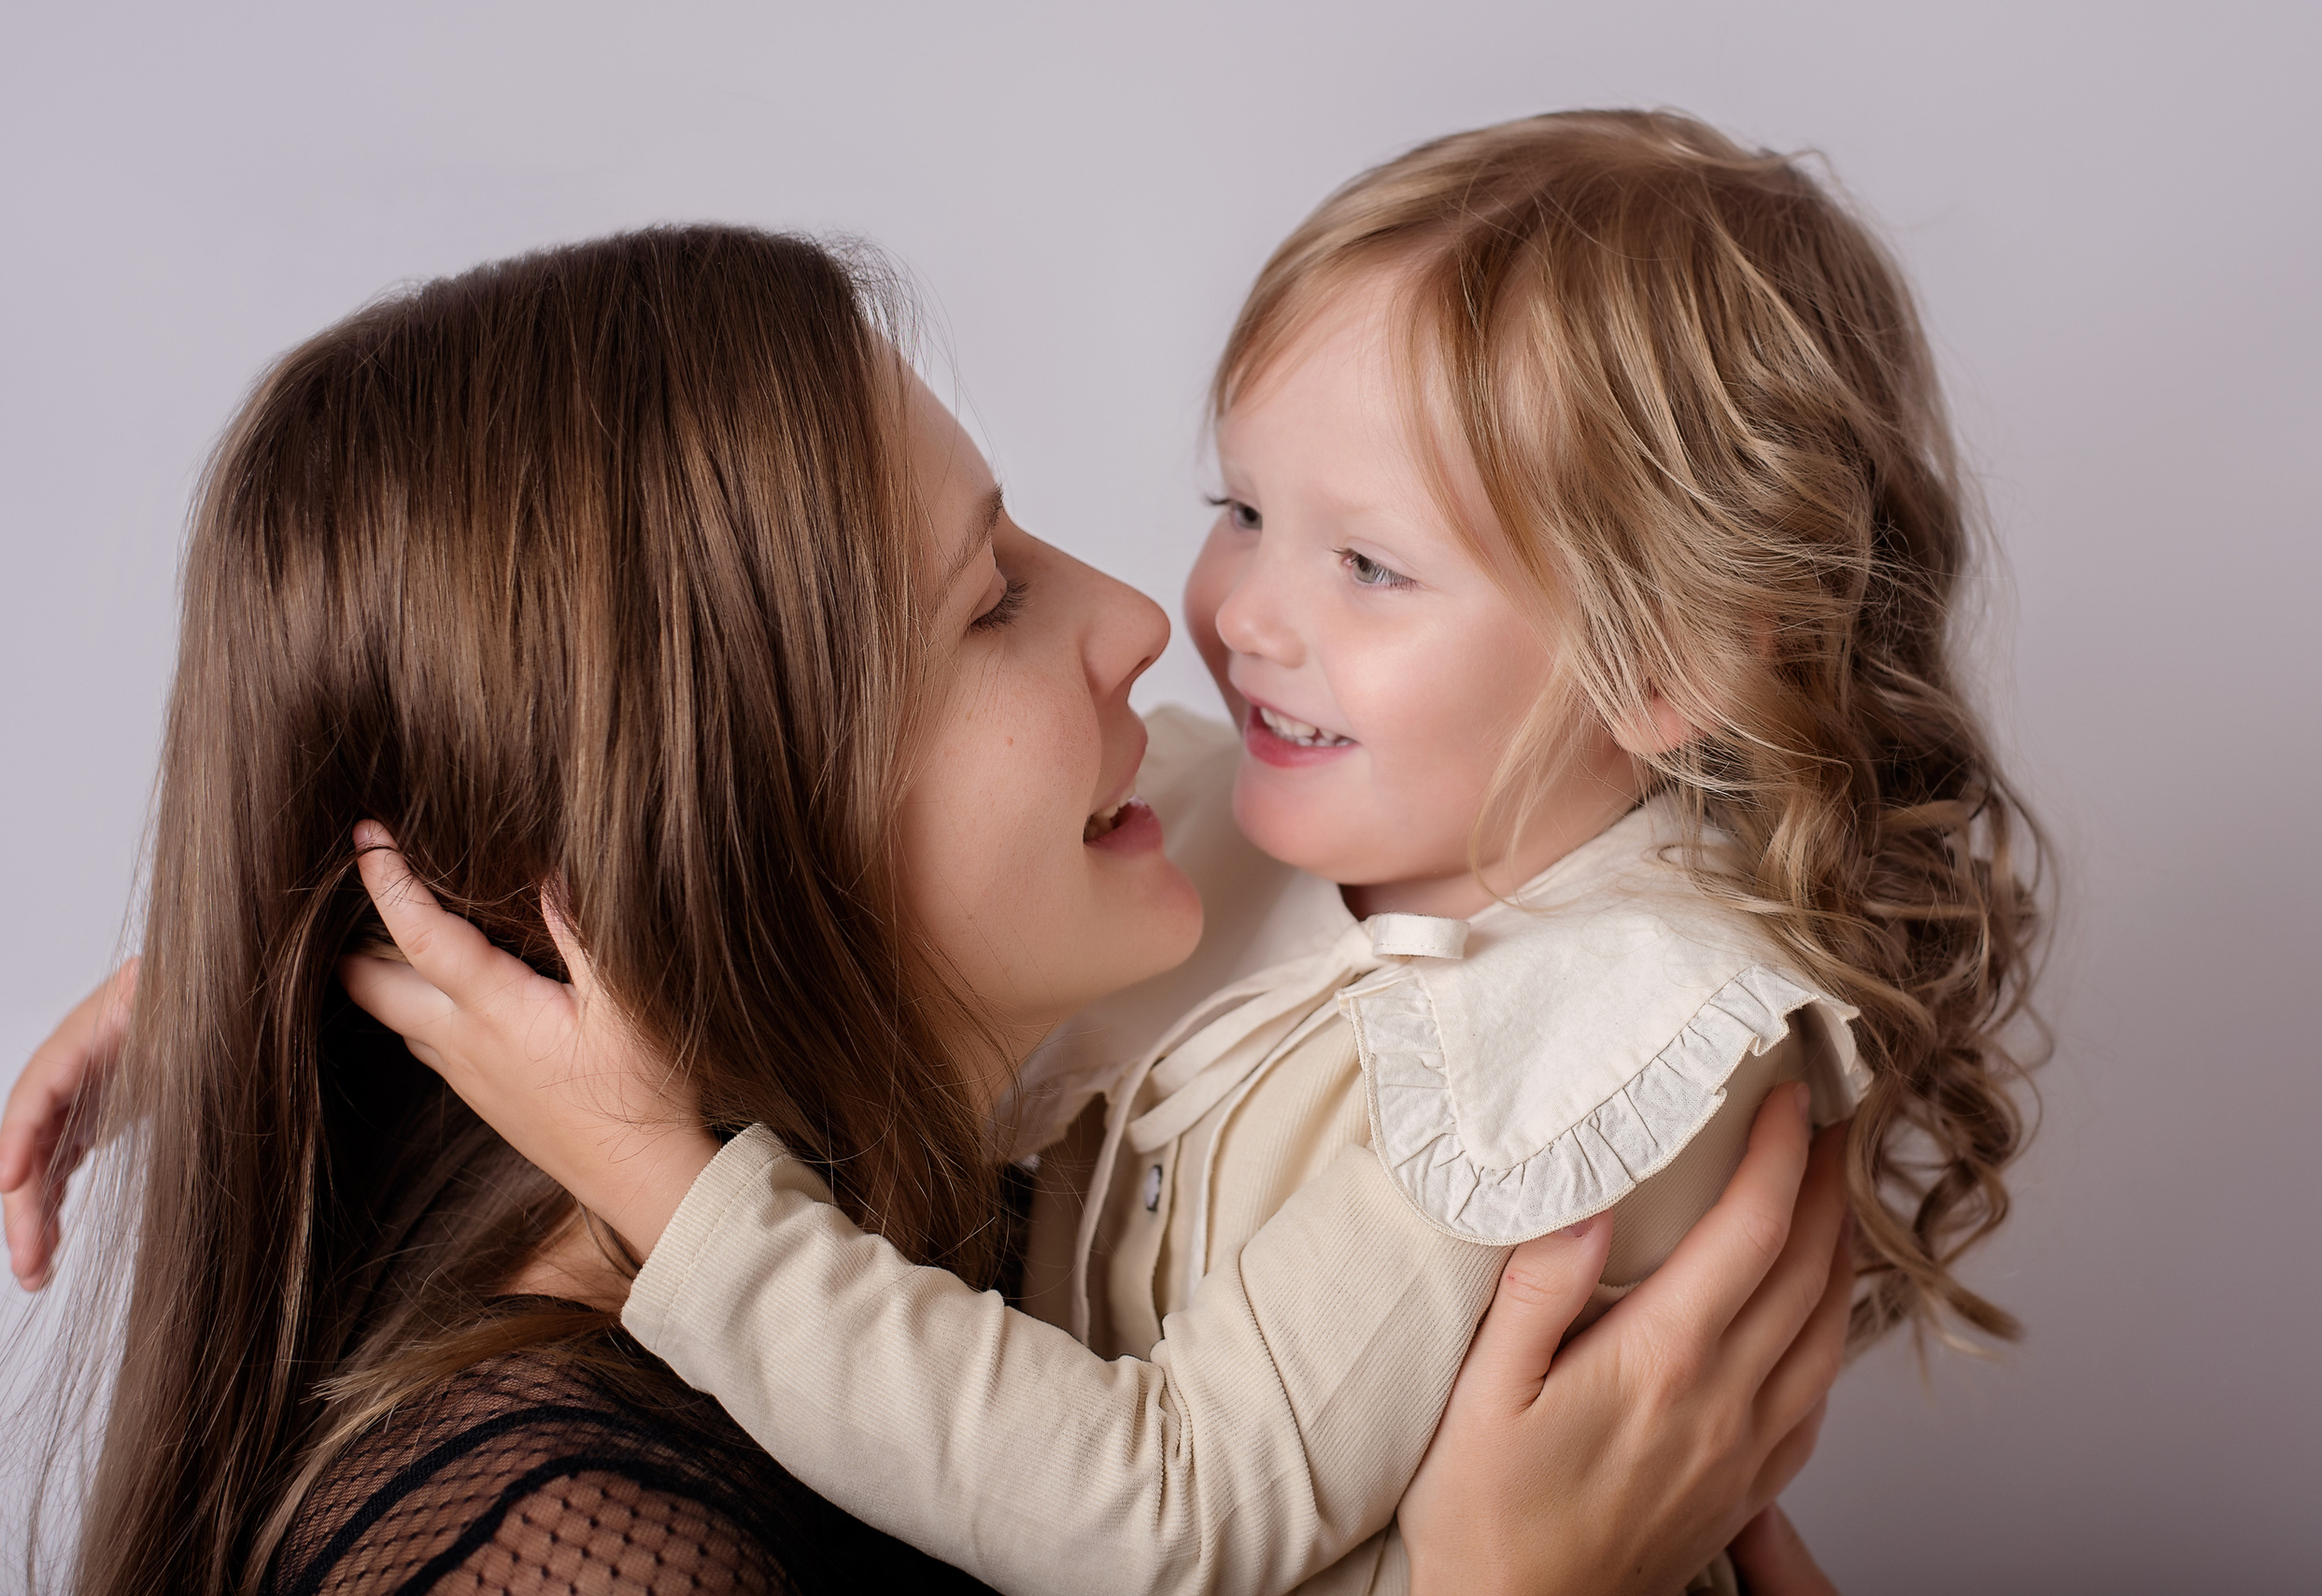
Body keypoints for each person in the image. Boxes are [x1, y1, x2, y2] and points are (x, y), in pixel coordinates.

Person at [302, 110, 2038, 1594]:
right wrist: (333, 928)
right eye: (1244, 512)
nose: (1204, 620)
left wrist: (686, 1204)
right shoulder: (1310, 822)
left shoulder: (1569, 1054)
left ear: (1661, 665)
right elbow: (708, 806)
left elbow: (1170, 1509)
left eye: (1371, 567)